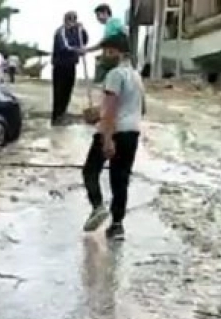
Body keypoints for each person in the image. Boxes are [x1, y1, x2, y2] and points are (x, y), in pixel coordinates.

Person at [81, 33, 144, 241]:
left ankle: (98, 206)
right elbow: (141, 108)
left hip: (113, 130)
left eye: (107, 51)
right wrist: (98, 113)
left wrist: (107, 138)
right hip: (132, 132)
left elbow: (111, 109)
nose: (104, 55)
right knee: (120, 179)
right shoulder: (136, 76)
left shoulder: (115, 75)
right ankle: (117, 226)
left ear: (117, 52)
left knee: (90, 170)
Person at [51, 12, 88, 125]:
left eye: (74, 20)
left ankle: (62, 115)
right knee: (59, 93)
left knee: (67, 92)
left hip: (71, 65)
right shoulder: (60, 32)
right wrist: (77, 50)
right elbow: (64, 47)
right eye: (70, 20)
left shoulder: (76, 32)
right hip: (60, 66)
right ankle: (56, 117)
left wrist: (83, 30)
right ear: (65, 20)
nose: (72, 22)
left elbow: (84, 40)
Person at [89, 4, 127, 81]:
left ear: (105, 12)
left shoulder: (113, 21)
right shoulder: (108, 27)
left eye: (98, 15)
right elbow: (104, 42)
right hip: (110, 54)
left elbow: (124, 32)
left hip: (116, 54)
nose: (97, 18)